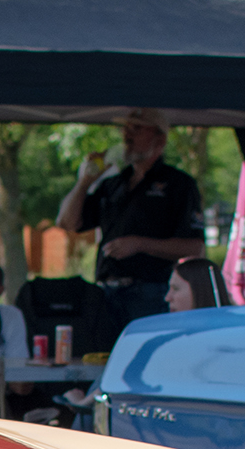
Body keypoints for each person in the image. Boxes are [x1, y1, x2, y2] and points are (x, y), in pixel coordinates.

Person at [57, 107, 205, 326]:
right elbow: (68, 222)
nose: (127, 135)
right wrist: (85, 181)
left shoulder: (179, 184)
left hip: (150, 292)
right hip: (106, 290)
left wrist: (139, 244)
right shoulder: (113, 184)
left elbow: (194, 247)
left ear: (159, 140)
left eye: (137, 129)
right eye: (125, 129)